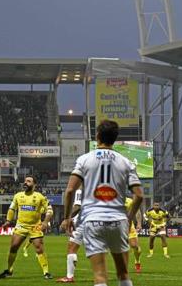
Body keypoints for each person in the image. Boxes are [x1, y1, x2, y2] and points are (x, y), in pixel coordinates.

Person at [61, 120, 144, 286]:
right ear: (114, 138)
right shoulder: (126, 162)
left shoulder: (84, 159)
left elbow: (70, 190)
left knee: (100, 275)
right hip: (118, 221)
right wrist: (129, 218)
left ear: (97, 136)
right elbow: (139, 195)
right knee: (123, 273)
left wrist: (67, 217)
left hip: (93, 220)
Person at [0, 176, 53, 280]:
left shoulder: (40, 197)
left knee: (39, 248)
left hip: (35, 226)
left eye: (28, 181)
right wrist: (8, 221)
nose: (25, 183)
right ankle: (9, 270)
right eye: (25, 181)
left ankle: (46, 272)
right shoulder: (18, 196)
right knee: (13, 247)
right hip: (21, 226)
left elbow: (50, 210)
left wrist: (45, 222)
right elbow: (12, 209)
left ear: (34, 184)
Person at [57, 189, 82, 283]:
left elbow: (77, 207)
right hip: (96, 221)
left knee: (71, 249)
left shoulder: (80, 190)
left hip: (81, 223)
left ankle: (69, 277)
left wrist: (67, 218)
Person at [125, 197, 143, 272]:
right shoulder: (110, 200)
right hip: (114, 226)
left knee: (134, 246)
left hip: (128, 225)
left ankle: (137, 261)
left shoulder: (129, 201)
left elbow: (137, 211)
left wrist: (139, 223)